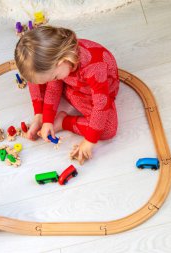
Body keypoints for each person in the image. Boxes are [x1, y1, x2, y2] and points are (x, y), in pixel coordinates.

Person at [14, 26, 119, 164]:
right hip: (67, 77)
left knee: (107, 130)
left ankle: (64, 121)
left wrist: (89, 141)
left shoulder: (93, 67)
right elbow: (53, 88)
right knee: (34, 75)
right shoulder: (58, 63)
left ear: (62, 61)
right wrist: (45, 119)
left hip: (91, 91)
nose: (52, 82)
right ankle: (38, 115)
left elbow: (101, 104)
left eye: (55, 76)